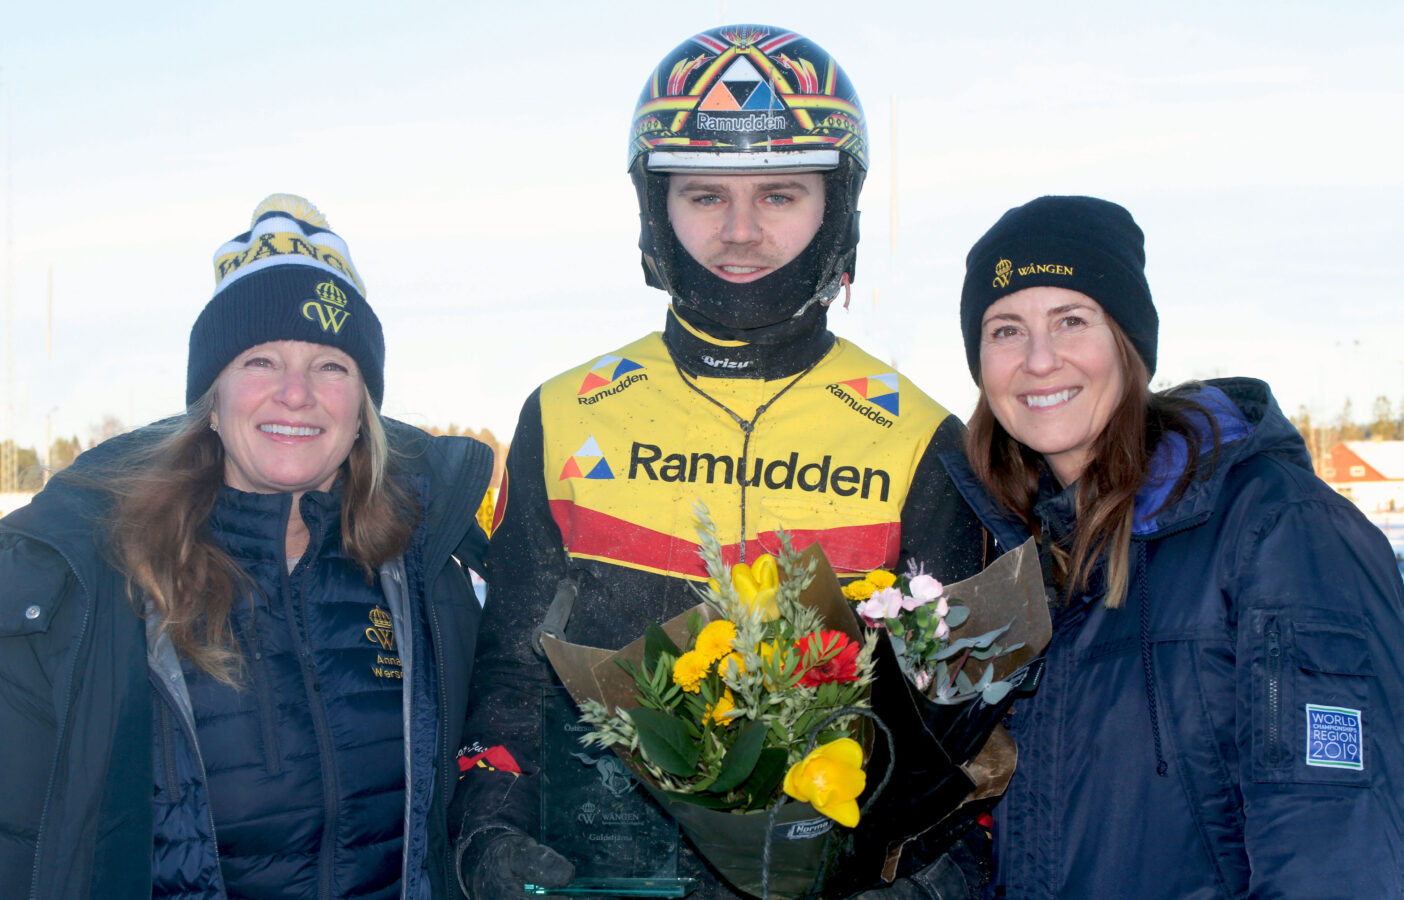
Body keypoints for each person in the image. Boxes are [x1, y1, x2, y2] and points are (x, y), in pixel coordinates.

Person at [455, 24, 986, 900]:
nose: (740, 232)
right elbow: (510, 665)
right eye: (704, 195)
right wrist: (488, 827)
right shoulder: (561, 413)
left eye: (781, 195)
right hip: (600, 876)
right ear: (654, 206)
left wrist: (934, 883)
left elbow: (957, 723)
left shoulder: (921, 437)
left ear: (837, 206)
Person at [0, 195, 494, 899]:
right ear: (213, 396)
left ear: (362, 411)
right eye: (260, 360)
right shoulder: (102, 577)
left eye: (331, 366)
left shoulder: (426, 572)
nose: (295, 394)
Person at [938, 195, 1404, 897]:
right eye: (1006, 329)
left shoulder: (1278, 531)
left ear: (1128, 343)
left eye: (1071, 320)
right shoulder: (1015, 553)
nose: (1039, 359)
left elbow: (1339, 846)